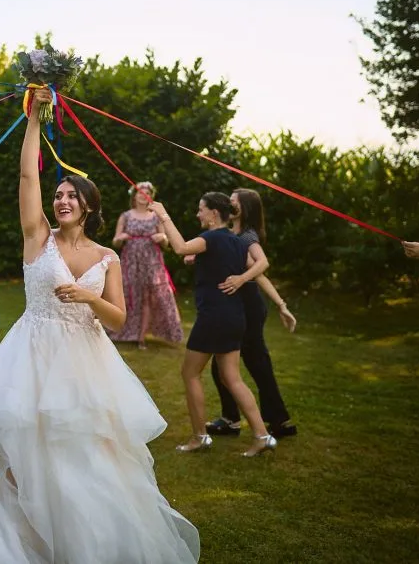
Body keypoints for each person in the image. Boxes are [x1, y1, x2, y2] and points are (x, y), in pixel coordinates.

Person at [0, 88, 199, 564]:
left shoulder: (108, 257)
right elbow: (26, 174)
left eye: (71, 196)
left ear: (88, 206)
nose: (61, 200)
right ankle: (19, 532)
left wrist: (87, 296)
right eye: (58, 194)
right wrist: (35, 120)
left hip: (85, 360)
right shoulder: (36, 236)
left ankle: (81, 536)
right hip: (33, 352)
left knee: (86, 453)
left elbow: (120, 317)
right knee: (18, 452)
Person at [151, 193, 277, 457]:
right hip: (234, 316)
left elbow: (181, 247)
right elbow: (237, 263)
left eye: (201, 210)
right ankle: (262, 435)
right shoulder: (236, 241)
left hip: (214, 318)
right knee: (232, 378)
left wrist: (164, 216)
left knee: (190, 373)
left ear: (214, 214)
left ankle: (200, 437)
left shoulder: (210, 238)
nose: (198, 215)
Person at [205, 188, 298, 439]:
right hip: (238, 307)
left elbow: (262, 264)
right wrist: (282, 305)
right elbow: (261, 275)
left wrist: (240, 279)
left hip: (248, 308)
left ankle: (270, 421)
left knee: (252, 364)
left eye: (234, 202)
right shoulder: (229, 233)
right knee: (234, 365)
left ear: (245, 208)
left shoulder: (248, 236)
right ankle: (263, 420)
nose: (229, 204)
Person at [109, 180, 184, 349]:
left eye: (147, 193)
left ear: (151, 197)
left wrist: (162, 238)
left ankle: (141, 336)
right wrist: (120, 238)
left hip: (152, 263)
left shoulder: (156, 216)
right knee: (129, 296)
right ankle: (124, 331)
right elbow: (115, 242)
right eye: (140, 192)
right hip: (131, 262)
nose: (144, 195)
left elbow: (165, 243)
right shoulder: (126, 216)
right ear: (134, 196)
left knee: (149, 298)